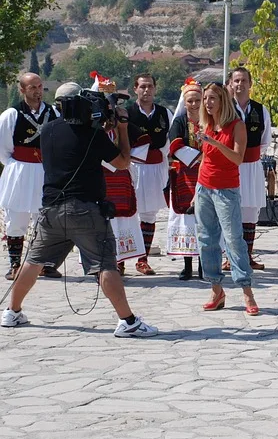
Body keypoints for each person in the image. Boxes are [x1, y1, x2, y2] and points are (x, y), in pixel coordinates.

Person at [1, 82, 158, 337]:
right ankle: (128, 322)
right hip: (85, 209)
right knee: (106, 264)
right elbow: (122, 163)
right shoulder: (92, 134)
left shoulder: (49, 130)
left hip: (51, 209)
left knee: (32, 261)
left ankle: (12, 311)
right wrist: (121, 129)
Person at [195, 82, 259, 316]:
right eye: (205, 99)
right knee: (206, 239)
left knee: (233, 240)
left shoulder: (236, 126)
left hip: (226, 190)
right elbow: (204, 158)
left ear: (223, 100)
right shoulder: (208, 124)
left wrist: (214, 142)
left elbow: (237, 158)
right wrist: (197, 190)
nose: (207, 103)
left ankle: (247, 292)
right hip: (204, 187)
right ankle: (216, 289)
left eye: (212, 98)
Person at [0, 72, 59, 280]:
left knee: (46, 219)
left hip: (46, 171)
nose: (37, 91)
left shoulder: (54, 113)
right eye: (32, 87)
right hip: (20, 171)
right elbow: (3, 149)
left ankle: (43, 263)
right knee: (16, 218)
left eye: (40, 86)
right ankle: (15, 264)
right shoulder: (11, 115)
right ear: (22, 90)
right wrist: (20, 166)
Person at [91, 72, 151, 270]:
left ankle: (121, 261)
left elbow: (143, 141)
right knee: (99, 218)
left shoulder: (122, 121)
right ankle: (102, 261)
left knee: (122, 219)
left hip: (119, 177)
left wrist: (124, 159)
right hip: (97, 176)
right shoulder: (91, 124)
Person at [125, 73, 172, 276]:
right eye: (142, 86)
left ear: (155, 88)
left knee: (149, 214)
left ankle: (142, 259)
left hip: (155, 167)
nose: (146, 90)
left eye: (150, 86)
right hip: (133, 167)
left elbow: (171, 139)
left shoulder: (164, 113)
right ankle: (121, 259)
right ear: (135, 88)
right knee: (127, 213)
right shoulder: (127, 113)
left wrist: (161, 157)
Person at [228, 67, 271, 271]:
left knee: (250, 212)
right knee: (230, 212)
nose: (240, 84)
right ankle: (230, 257)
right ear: (230, 84)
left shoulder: (260, 110)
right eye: (236, 80)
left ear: (250, 83)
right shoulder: (225, 109)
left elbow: (265, 140)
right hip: (230, 167)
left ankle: (247, 255)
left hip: (252, 167)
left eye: (244, 80)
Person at [167, 78, 204, 280]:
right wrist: (199, 156)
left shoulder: (210, 121)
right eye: (190, 101)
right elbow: (175, 146)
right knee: (185, 220)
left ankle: (203, 265)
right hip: (184, 174)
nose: (194, 105)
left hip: (206, 174)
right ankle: (187, 265)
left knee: (205, 219)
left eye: (197, 100)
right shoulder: (179, 122)